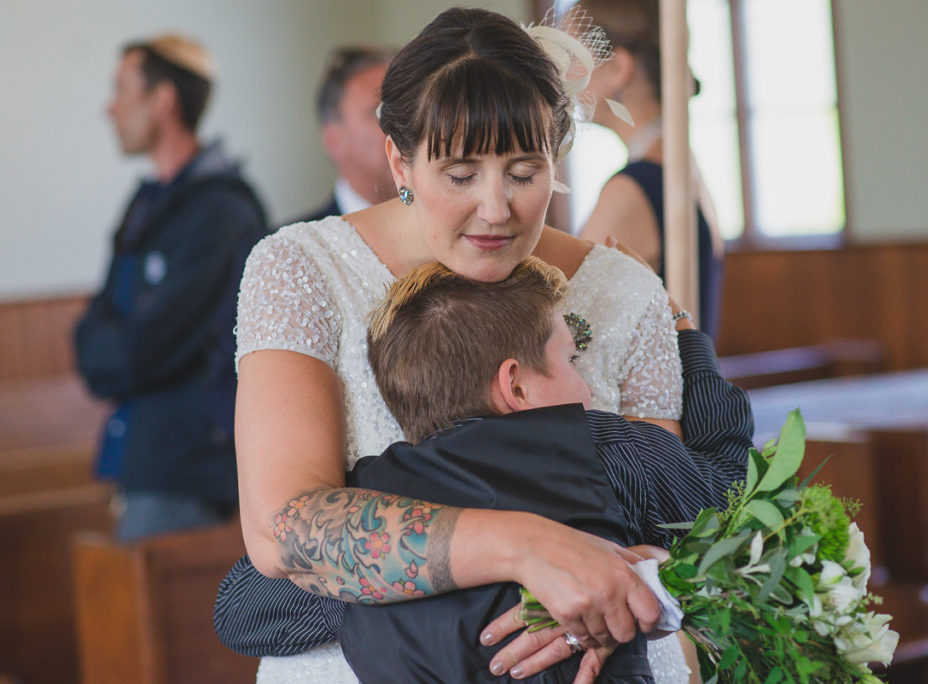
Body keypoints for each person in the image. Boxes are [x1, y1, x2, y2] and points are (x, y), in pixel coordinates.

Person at [231, 8, 748, 683]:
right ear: (400, 160)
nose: (496, 207)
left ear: (555, 158)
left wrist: (626, 588)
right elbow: (285, 533)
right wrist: (524, 548)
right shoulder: (302, 268)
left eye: (524, 171)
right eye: (460, 174)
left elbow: (668, 515)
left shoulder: (622, 288)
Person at [215, 257, 752, 682]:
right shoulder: (604, 449)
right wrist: (687, 337)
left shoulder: (369, 503)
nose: (587, 388)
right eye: (571, 361)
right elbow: (731, 501)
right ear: (515, 384)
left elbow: (241, 610)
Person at [73, 34, 267, 541]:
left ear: (163, 100)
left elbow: (145, 347)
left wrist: (112, 350)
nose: (109, 108)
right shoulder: (146, 202)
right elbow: (92, 324)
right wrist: (107, 349)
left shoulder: (221, 211)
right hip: (141, 457)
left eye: (121, 90)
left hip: (187, 469)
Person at [576, 0, 726, 342]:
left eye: (574, 56)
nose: (564, 75)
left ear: (619, 67)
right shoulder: (681, 167)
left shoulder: (633, 190)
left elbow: (573, 328)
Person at [293, 46, 395, 222]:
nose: (406, 124)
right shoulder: (293, 246)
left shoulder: (451, 234)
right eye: (381, 111)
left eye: (411, 109)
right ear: (334, 141)